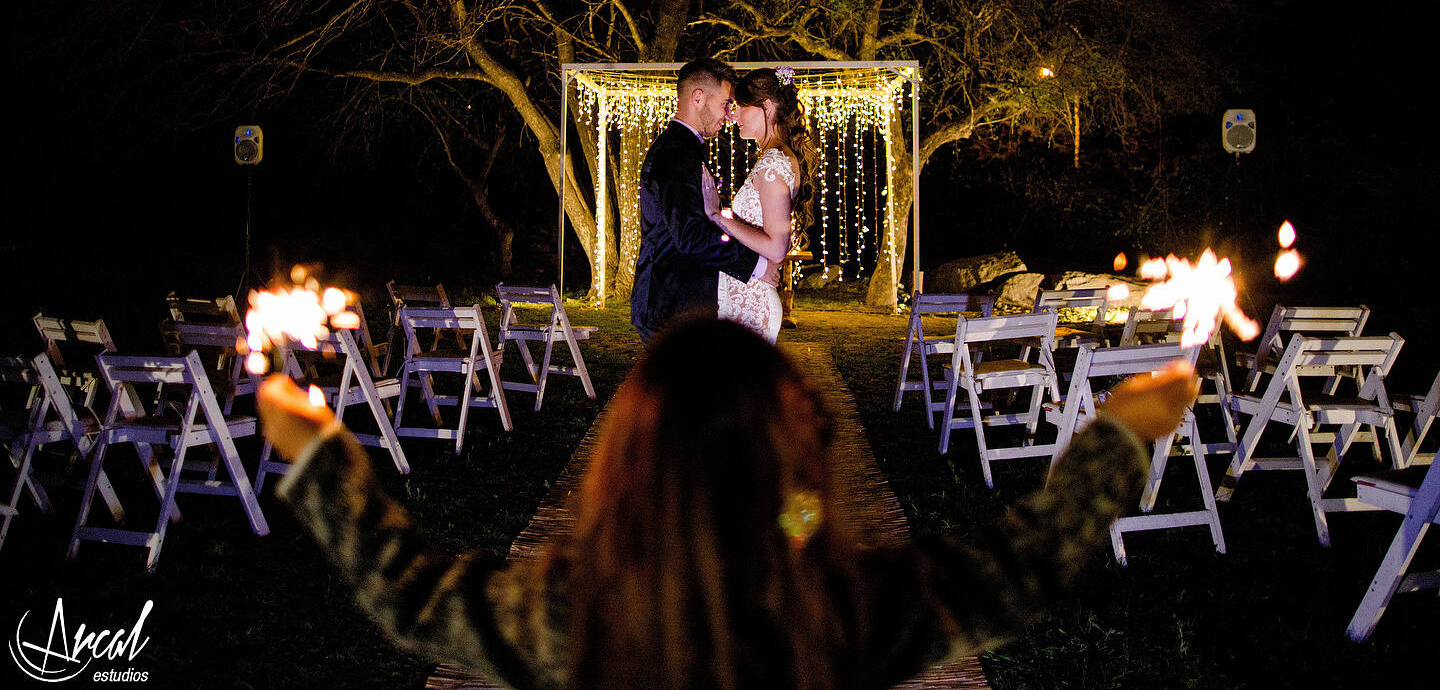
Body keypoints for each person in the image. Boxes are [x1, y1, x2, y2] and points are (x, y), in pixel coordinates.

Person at [259, 315, 1200, 690]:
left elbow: (408, 592)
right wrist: (1120, 431)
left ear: (628, 465)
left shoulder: (572, 613)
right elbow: (1024, 564)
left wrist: (321, 455)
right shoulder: (838, 608)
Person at [630, 57, 779, 346]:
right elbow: (690, 235)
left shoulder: (684, 148)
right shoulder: (676, 153)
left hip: (678, 302)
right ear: (698, 97)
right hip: (671, 306)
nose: (729, 114)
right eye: (725, 103)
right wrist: (757, 265)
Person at [704, 66, 815, 343]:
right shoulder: (775, 158)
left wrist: (717, 216)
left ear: (766, 106)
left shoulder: (772, 165)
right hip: (742, 298)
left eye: (741, 107)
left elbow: (777, 247)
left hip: (751, 307)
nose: (734, 116)